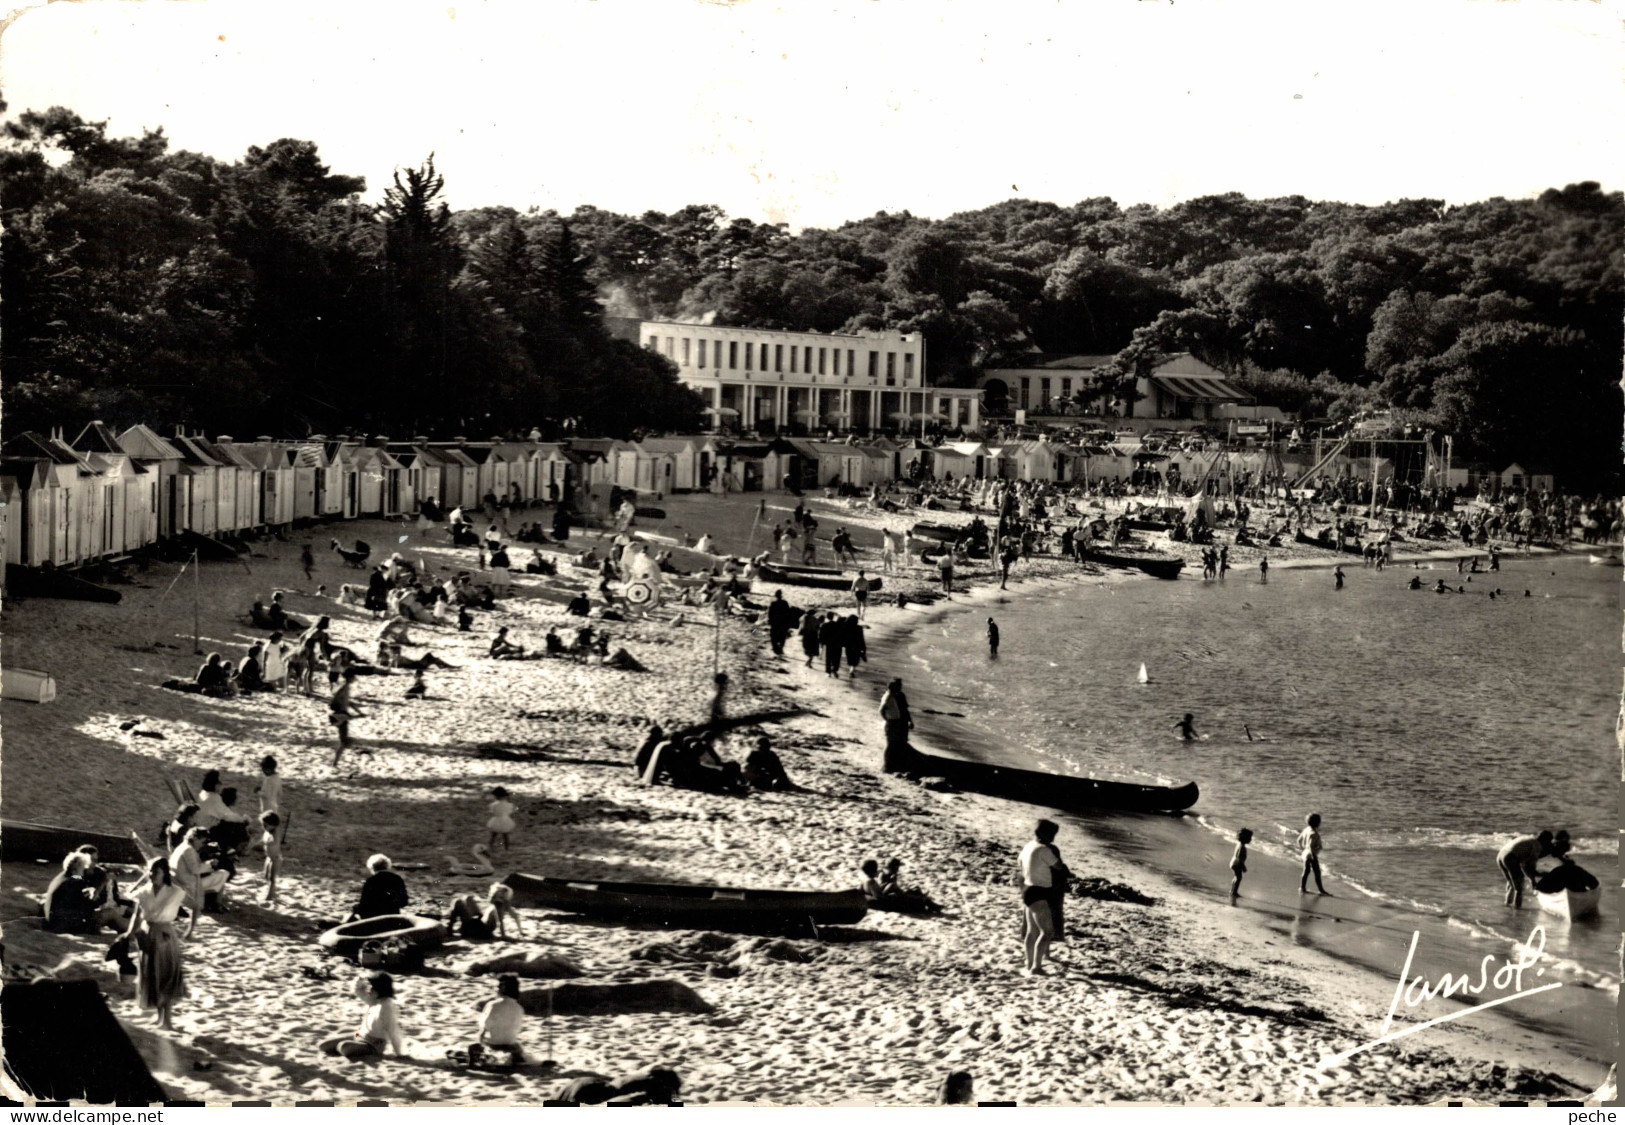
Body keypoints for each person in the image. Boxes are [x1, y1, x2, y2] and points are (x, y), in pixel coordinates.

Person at [124, 857, 187, 1030]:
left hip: (165, 935)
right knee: (152, 976)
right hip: (146, 934)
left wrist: (190, 929)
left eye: (156, 871)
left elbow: (196, 905)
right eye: (150, 870)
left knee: (165, 976)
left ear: (164, 873)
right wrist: (129, 933)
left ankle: (167, 1020)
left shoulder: (175, 891)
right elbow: (137, 915)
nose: (151, 874)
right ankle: (160, 1018)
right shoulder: (144, 891)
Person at [320, 972, 405, 1060]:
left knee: (343, 1047)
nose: (370, 989)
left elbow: (393, 1031)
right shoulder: (374, 999)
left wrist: (399, 1054)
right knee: (323, 1046)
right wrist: (361, 978)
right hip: (359, 1036)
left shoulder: (387, 1007)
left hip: (373, 1045)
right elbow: (358, 991)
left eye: (373, 987)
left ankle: (365, 1051)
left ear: (380, 989)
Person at [1019, 819, 1063, 977]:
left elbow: (1020, 862)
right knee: (1047, 932)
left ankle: (1029, 962)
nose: (1053, 838)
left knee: (1032, 931)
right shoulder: (1044, 850)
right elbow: (1058, 866)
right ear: (1045, 834)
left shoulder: (1029, 845)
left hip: (1028, 889)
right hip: (1040, 892)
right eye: (1052, 834)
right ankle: (1036, 967)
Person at [170, 827, 230, 933]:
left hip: (179, 880)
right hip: (187, 884)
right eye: (202, 841)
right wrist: (210, 864)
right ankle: (216, 903)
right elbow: (195, 869)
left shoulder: (183, 846)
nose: (203, 844)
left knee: (219, 874)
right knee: (223, 874)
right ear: (195, 838)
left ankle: (214, 903)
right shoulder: (188, 849)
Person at [462, 974, 525, 1068]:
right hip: (510, 1045)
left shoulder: (493, 1005)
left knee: (474, 1046)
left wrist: (481, 1039)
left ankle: (479, 1060)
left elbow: (484, 1026)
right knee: (517, 1045)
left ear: (503, 988)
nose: (496, 989)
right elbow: (518, 1029)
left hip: (493, 1045)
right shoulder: (519, 1008)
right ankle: (515, 1058)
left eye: (498, 987)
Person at [43, 852, 100, 933]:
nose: (84, 871)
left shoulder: (62, 879)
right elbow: (85, 905)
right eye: (83, 868)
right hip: (64, 924)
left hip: (52, 921)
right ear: (78, 868)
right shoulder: (76, 881)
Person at [1496, 830, 1555, 908]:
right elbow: (1530, 868)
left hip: (1500, 855)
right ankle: (1517, 909)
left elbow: (1524, 866)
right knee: (1519, 888)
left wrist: (1532, 880)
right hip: (1510, 857)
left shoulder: (1529, 839)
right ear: (1545, 841)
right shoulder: (1537, 846)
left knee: (1512, 884)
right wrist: (1540, 875)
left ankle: (1508, 905)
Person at [449, 883, 525, 941]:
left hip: (478, 931)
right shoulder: (505, 904)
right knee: (468, 898)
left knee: (457, 902)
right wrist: (520, 931)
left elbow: (500, 922)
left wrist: (503, 936)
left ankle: (450, 928)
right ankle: (453, 928)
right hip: (479, 924)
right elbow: (516, 917)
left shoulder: (497, 905)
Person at [352, 854, 409, 920]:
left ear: (372, 868)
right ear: (387, 866)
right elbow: (404, 902)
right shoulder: (397, 879)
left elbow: (364, 904)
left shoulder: (371, 881)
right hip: (393, 917)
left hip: (374, 919)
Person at [329, 668, 363, 769]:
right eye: (353, 676)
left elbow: (348, 702)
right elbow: (336, 701)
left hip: (342, 715)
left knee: (344, 741)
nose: (355, 678)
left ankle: (335, 762)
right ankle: (334, 763)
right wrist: (358, 713)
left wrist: (359, 712)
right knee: (344, 741)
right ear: (350, 677)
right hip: (340, 716)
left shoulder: (345, 687)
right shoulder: (343, 688)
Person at [880, 678, 914, 772]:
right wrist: (887, 719)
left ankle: (896, 765)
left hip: (902, 722)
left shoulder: (901, 696)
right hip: (895, 721)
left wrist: (910, 721)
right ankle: (888, 765)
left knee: (901, 742)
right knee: (893, 743)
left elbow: (905, 710)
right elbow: (882, 710)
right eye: (899, 685)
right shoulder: (889, 697)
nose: (901, 687)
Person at [1297, 813, 1327, 895]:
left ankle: (1302, 888)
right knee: (1317, 872)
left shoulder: (1306, 829)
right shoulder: (1314, 834)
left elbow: (1298, 840)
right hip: (1311, 854)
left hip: (1305, 853)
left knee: (1306, 871)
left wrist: (1303, 849)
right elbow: (1310, 845)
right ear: (1318, 823)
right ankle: (1321, 890)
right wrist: (1312, 855)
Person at [260, 812, 283, 904]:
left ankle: (270, 896)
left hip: (276, 858)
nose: (264, 827)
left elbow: (273, 841)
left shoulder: (275, 833)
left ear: (274, 825)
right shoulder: (268, 831)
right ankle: (273, 891)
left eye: (266, 825)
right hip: (269, 858)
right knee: (266, 876)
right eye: (263, 824)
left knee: (272, 878)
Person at [487, 787, 517, 851]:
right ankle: (506, 848)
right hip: (505, 820)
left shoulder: (493, 805)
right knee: (505, 836)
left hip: (496, 820)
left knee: (494, 835)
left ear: (495, 796)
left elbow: (492, 812)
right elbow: (510, 812)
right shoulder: (509, 805)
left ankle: (491, 847)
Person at [767, 591, 795, 657]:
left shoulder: (773, 603)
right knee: (782, 635)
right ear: (781, 596)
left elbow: (770, 614)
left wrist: (770, 621)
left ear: (776, 596)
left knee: (774, 635)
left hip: (775, 622)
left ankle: (775, 648)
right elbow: (788, 613)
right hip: (783, 622)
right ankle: (780, 648)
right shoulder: (785, 603)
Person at [1229, 828, 1253, 900]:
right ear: (1245, 838)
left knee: (1236, 877)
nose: (1250, 839)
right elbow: (1239, 857)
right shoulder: (1242, 847)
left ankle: (1232, 890)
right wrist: (1243, 867)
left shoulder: (1239, 844)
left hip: (1233, 862)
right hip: (1237, 864)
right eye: (1249, 838)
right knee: (1238, 878)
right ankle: (1234, 892)